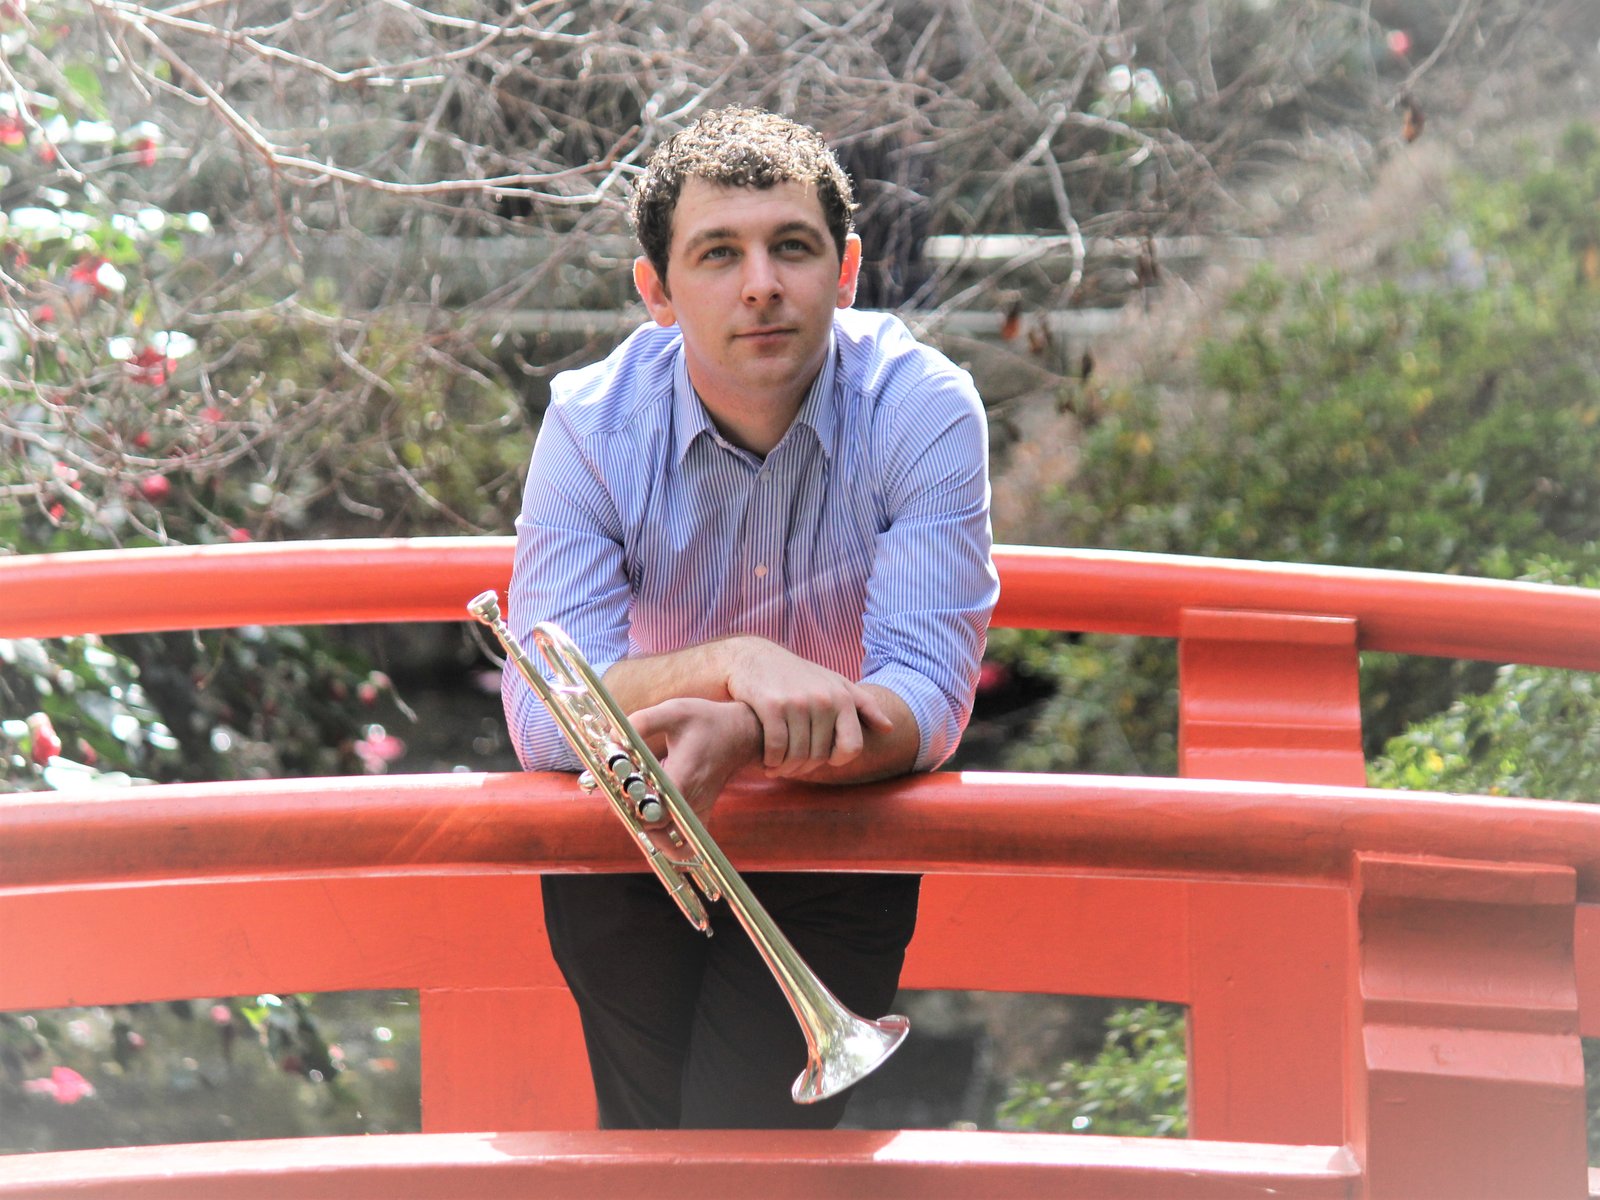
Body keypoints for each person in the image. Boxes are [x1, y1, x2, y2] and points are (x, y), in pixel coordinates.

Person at [501, 106, 999, 1131]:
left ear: (846, 268)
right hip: (632, 842)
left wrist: (751, 732)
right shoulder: (591, 428)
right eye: (718, 254)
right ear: (657, 291)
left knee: (750, 1150)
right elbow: (545, 716)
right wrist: (730, 667)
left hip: (835, 836)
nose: (760, 283)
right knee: (648, 1149)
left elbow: (927, 699)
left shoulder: (923, 409)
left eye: (792, 247)